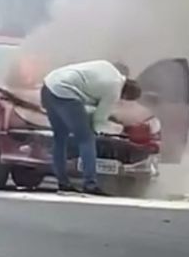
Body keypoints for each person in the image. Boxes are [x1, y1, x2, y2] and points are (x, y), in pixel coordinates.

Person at [40, 60, 141, 195]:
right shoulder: (114, 92)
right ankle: (90, 183)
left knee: (60, 137)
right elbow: (98, 122)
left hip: (48, 86)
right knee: (86, 139)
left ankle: (63, 182)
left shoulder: (109, 67)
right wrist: (117, 128)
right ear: (126, 95)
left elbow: (87, 92)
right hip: (65, 93)